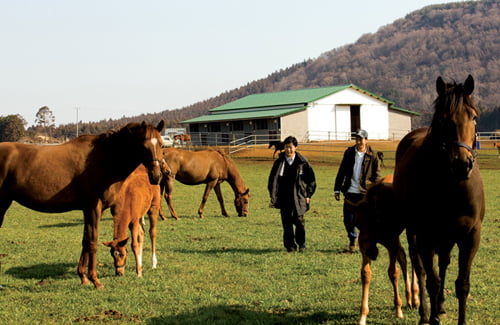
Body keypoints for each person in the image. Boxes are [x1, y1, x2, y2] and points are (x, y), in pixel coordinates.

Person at [334, 129, 381, 251]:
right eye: (357, 139)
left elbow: (377, 176)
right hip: (350, 191)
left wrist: (375, 192)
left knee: (366, 220)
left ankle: (366, 242)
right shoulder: (349, 153)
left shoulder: (373, 155)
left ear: (366, 140)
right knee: (348, 220)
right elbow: (342, 171)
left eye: (361, 139)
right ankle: (352, 239)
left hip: (365, 193)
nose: (359, 141)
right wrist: (337, 189)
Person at [268, 136, 316, 252]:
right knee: (286, 222)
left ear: (295, 147)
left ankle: (302, 243)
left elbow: (311, 180)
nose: (288, 150)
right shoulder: (279, 162)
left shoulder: (303, 162)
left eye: (291, 147)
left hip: (299, 196)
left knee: (299, 221)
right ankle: (290, 246)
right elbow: (272, 180)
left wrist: (308, 195)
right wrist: (273, 195)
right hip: (284, 196)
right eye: (286, 147)